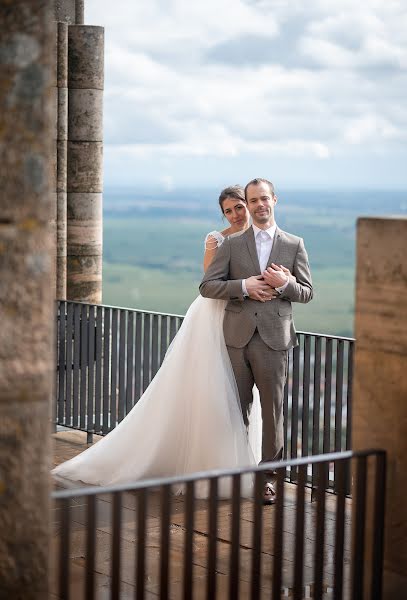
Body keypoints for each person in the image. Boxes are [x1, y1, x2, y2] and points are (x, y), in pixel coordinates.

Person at [52, 185, 262, 498]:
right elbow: (209, 282)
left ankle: (240, 464)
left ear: (250, 206)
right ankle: (203, 467)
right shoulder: (216, 239)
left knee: (241, 389)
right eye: (228, 210)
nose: (234, 214)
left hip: (245, 318)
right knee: (210, 387)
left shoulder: (261, 238)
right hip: (213, 316)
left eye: (239, 207)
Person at [200, 178, 313, 504]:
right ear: (248, 205)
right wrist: (245, 286)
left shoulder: (294, 244)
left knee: (272, 412)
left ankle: (268, 479)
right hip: (236, 338)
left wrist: (285, 283)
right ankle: (235, 473)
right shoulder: (232, 245)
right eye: (254, 201)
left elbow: (306, 292)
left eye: (265, 198)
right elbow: (207, 286)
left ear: (274, 200)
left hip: (274, 340)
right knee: (236, 410)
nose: (260, 205)